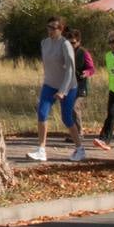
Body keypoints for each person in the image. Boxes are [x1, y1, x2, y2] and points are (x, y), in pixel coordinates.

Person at [28, 17, 84, 162]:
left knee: (67, 118)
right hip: (49, 84)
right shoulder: (44, 43)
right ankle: (41, 150)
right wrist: (46, 82)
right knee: (42, 113)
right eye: (49, 27)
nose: (50, 30)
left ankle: (79, 148)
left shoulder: (65, 45)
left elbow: (70, 70)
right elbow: (48, 65)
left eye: (54, 28)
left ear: (61, 29)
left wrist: (62, 91)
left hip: (68, 86)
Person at [64, 27, 96, 102]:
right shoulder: (64, 52)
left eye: (73, 43)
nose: (70, 45)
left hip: (80, 84)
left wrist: (86, 72)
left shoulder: (84, 53)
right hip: (67, 85)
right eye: (68, 43)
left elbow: (92, 69)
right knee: (68, 108)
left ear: (79, 42)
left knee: (76, 107)